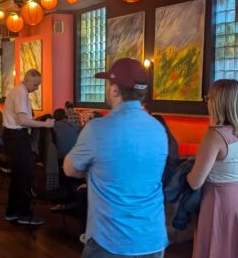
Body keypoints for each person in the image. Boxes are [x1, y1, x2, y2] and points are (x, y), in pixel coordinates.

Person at [64, 58, 168, 257]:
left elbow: (69, 169)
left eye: (107, 84)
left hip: (110, 240)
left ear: (114, 90)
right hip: (152, 239)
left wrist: (95, 171)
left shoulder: (97, 128)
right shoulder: (158, 129)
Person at [186, 79, 238, 258]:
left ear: (217, 102)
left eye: (209, 98)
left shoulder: (214, 135)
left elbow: (195, 182)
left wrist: (183, 172)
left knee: (214, 251)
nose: (207, 102)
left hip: (217, 203)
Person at [3, 69, 54, 225]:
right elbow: (23, 121)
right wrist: (45, 124)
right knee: (26, 175)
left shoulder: (17, 91)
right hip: (17, 136)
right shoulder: (21, 92)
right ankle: (24, 214)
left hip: (13, 136)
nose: (37, 88)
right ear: (27, 80)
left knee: (19, 176)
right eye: (36, 84)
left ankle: (12, 212)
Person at [50, 108, 81, 211]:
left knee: (61, 178)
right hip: (75, 157)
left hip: (62, 158)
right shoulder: (75, 126)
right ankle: (74, 201)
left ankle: (61, 202)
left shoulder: (54, 127)